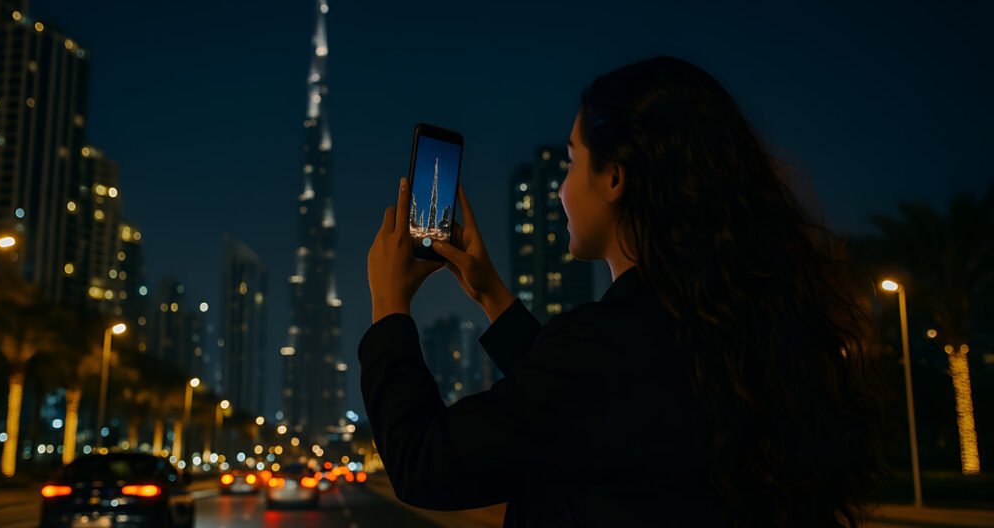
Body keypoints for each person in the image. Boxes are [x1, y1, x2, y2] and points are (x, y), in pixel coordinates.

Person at [361, 55, 891, 527]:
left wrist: (389, 309)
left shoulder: (605, 347)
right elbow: (583, 404)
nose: (562, 187)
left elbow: (424, 464)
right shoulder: (730, 329)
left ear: (614, 178)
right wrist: (491, 294)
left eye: (571, 161)